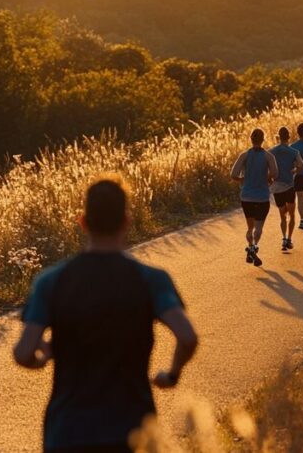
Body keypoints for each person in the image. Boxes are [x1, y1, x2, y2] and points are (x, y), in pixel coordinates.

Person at [14, 178, 198, 453]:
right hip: (133, 429)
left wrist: (41, 358)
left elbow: (23, 352)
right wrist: (171, 375)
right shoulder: (151, 280)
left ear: (82, 222)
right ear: (126, 221)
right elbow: (187, 336)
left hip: (67, 431)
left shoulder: (51, 281)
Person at [231, 128, 278, 266]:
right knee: (258, 228)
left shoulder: (244, 155)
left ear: (251, 139)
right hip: (262, 197)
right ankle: (254, 247)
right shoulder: (269, 156)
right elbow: (275, 173)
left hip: (247, 197)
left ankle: (250, 246)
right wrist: (268, 178)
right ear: (263, 139)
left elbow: (233, 174)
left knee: (249, 228)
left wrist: (242, 180)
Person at [271, 127, 303, 252]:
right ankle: (289, 239)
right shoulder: (294, 151)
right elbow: (302, 165)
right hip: (289, 185)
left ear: (278, 137)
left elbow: (267, 168)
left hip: (276, 187)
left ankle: (284, 238)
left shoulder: (271, 151)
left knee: (282, 216)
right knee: (292, 214)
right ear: (289, 137)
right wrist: (295, 171)